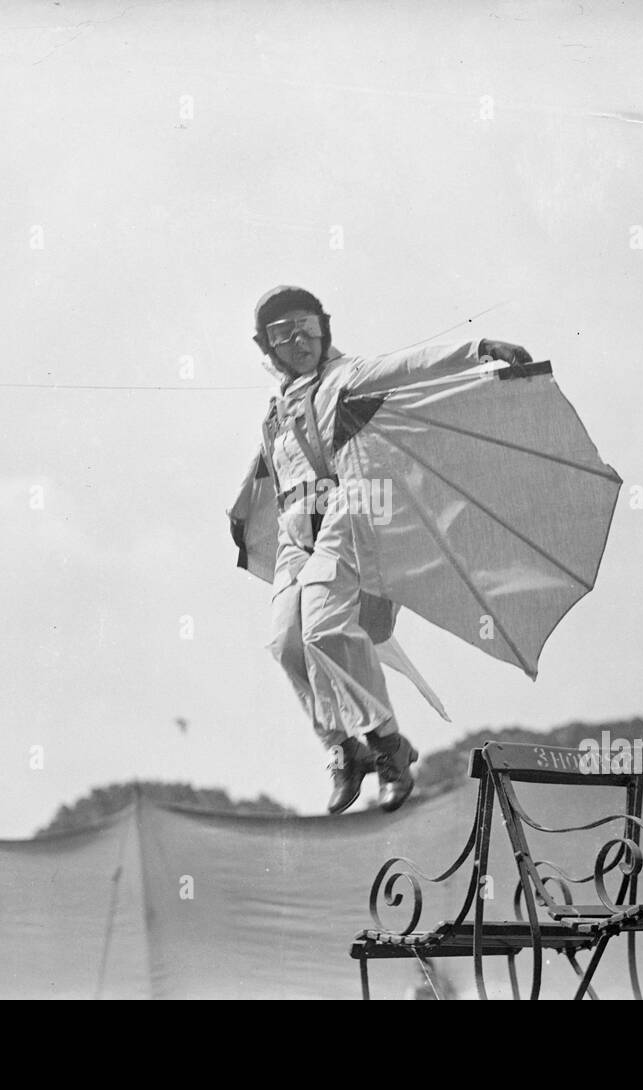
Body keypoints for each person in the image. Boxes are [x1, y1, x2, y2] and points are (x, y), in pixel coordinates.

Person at [230, 286, 533, 814]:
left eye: (305, 326)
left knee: (324, 629)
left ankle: (388, 745)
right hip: (292, 535)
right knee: (286, 645)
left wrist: (478, 348)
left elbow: (408, 365)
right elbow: (266, 463)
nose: (297, 341)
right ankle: (344, 750)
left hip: (347, 513)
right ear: (269, 348)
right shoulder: (276, 406)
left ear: (324, 329)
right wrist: (239, 509)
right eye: (282, 335)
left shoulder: (346, 375)